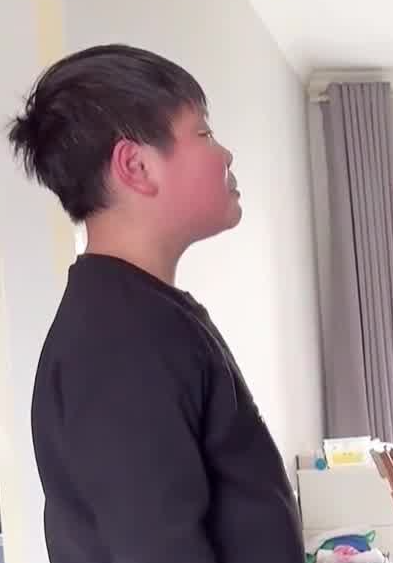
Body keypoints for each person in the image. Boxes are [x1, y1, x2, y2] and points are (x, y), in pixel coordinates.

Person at [7, 44, 304, 563]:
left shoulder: (139, 317)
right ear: (136, 166)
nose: (225, 154)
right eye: (204, 134)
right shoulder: (119, 342)